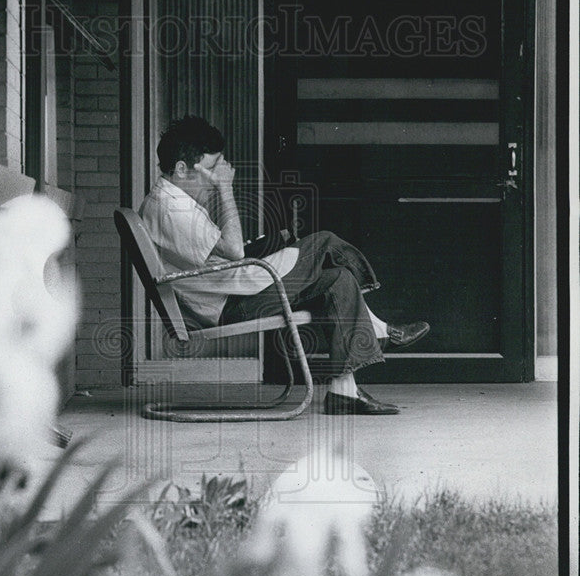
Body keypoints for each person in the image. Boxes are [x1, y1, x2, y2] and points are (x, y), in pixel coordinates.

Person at [139, 115, 429, 415]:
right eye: (211, 170)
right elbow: (235, 251)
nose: (215, 179)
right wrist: (226, 189)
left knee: (339, 279)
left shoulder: (169, 202)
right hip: (230, 305)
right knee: (325, 242)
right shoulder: (170, 208)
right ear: (182, 168)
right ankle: (379, 330)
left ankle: (344, 391)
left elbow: (222, 255)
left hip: (232, 295)